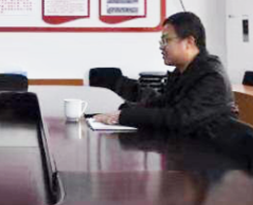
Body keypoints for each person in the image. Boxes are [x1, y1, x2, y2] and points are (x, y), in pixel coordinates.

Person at [94, 12, 236, 136]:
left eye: (166, 40)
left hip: (208, 154)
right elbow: (162, 103)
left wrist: (124, 117)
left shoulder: (211, 77)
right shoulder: (183, 72)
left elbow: (180, 118)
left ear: (189, 42)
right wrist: (123, 111)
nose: (161, 47)